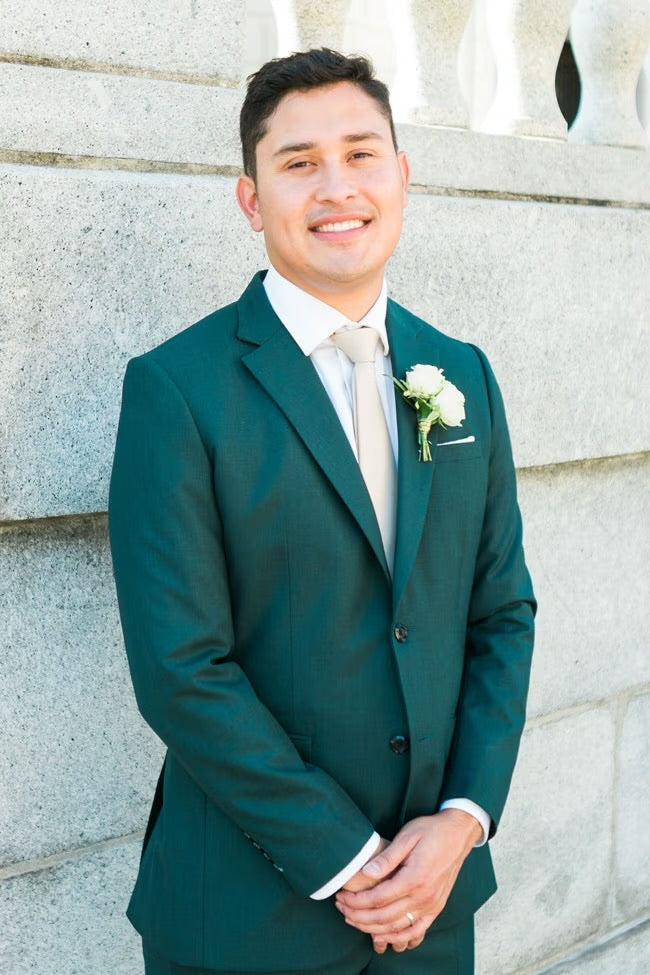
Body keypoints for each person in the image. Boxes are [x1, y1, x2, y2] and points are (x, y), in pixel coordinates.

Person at [109, 48, 535, 975]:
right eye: (298, 163)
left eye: (361, 153)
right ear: (252, 200)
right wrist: (351, 862)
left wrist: (462, 820)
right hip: (247, 919)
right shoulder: (177, 390)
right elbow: (182, 668)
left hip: (434, 906)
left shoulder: (463, 373)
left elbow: (500, 615)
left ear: (402, 176)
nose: (336, 186)